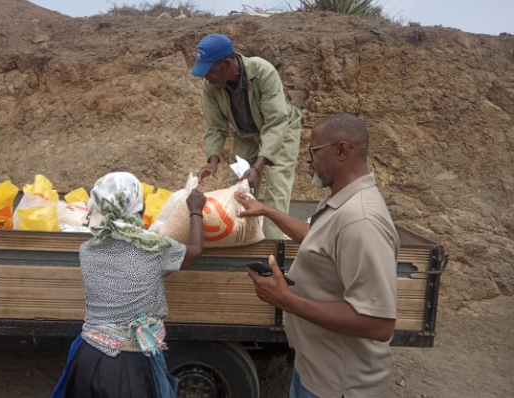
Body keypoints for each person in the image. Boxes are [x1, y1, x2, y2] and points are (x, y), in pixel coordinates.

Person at [234, 114, 399, 398]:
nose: (308, 160)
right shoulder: (343, 200)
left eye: (313, 150)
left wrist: (286, 300)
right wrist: (266, 210)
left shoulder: (360, 221)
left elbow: (379, 324)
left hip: (338, 386)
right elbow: (317, 236)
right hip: (316, 369)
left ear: (342, 150)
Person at [50, 171, 206, 398]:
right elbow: (195, 250)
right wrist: (195, 210)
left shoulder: (87, 250)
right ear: (140, 208)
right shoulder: (155, 249)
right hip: (129, 367)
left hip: (86, 359)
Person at [191, 33, 301, 239]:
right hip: (246, 135)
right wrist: (212, 161)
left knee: (277, 190)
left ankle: (274, 249)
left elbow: (276, 122)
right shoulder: (211, 86)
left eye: (209, 70)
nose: (206, 76)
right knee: (237, 191)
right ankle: (242, 242)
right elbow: (214, 126)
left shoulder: (262, 72)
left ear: (226, 62)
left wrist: (258, 168)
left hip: (281, 131)